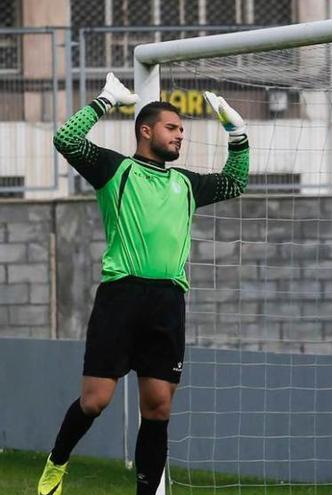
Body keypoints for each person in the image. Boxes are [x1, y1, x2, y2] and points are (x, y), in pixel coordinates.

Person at [36, 73, 250, 495]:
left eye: (183, 131)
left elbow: (235, 181)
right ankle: (56, 466)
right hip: (122, 295)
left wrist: (236, 132)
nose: (179, 137)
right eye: (172, 128)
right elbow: (66, 139)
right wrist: (106, 100)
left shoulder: (185, 183)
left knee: (158, 408)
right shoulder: (115, 170)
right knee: (95, 401)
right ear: (145, 130)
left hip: (168, 301)